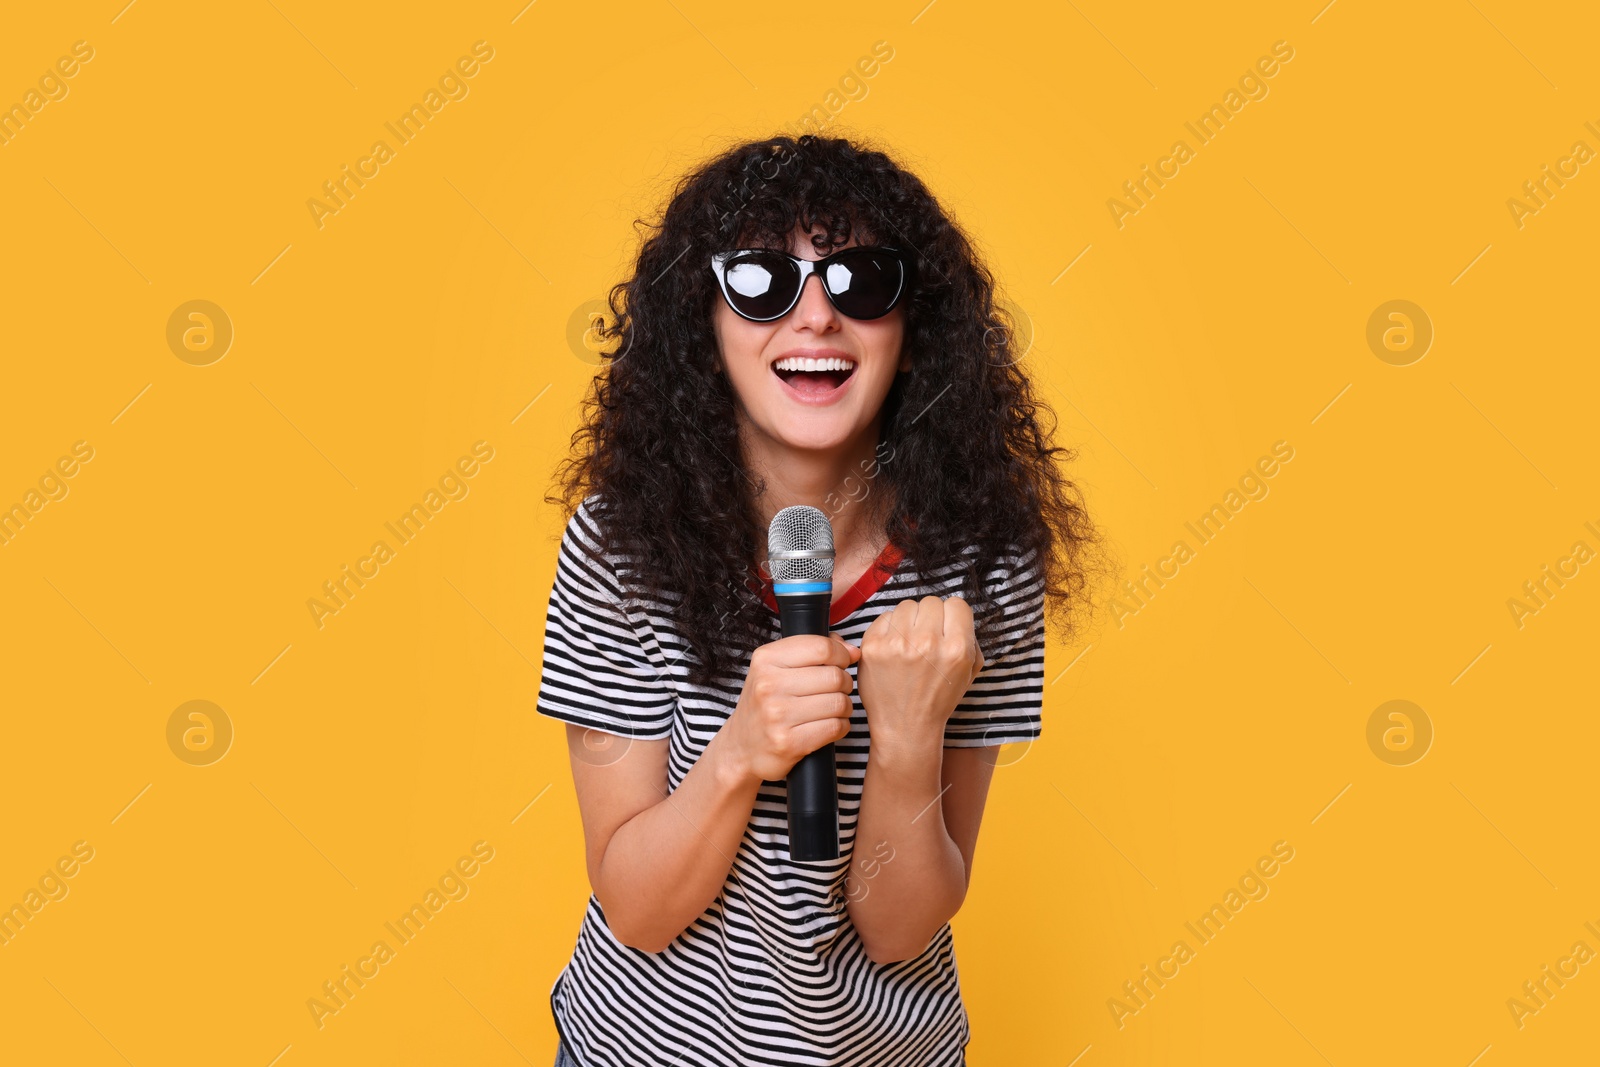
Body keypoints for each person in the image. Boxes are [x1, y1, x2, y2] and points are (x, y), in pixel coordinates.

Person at [536, 133, 1099, 1067]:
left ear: (913, 331)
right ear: (702, 327)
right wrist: (740, 753)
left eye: (861, 282)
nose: (816, 319)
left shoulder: (983, 562)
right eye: (761, 280)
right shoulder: (621, 545)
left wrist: (910, 737)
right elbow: (635, 907)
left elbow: (897, 929)